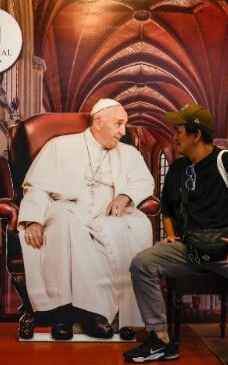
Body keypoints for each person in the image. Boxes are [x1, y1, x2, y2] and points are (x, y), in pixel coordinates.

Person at [124, 104, 228, 365]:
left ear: (196, 134)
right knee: (142, 263)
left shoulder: (227, 162)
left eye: (179, 130)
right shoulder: (178, 169)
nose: (175, 136)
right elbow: (169, 209)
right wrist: (170, 234)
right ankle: (160, 339)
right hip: (189, 249)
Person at [18, 98, 155, 340]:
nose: (124, 131)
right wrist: (33, 220)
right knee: (63, 223)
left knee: (132, 229)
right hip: (67, 208)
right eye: (119, 123)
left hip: (107, 215)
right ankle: (63, 313)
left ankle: (95, 313)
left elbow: (144, 182)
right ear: (98, 122)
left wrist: (124, 195)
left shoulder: (129, 153)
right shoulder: (59, 147)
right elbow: (37, 186)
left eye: (125, 124)